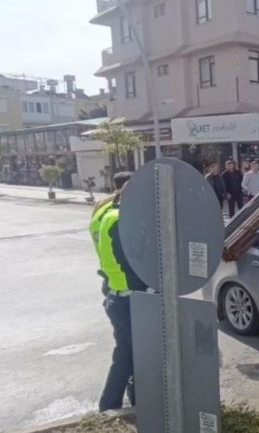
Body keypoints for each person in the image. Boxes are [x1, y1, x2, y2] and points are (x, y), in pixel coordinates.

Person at [98, 171, 148, 412]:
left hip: (115, 293)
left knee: (127, 353)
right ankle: (110, 405)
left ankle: (125, 401)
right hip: (129, 297)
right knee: (132, 355)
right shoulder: (120, 220)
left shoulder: (105, 214)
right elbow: (132, 262)